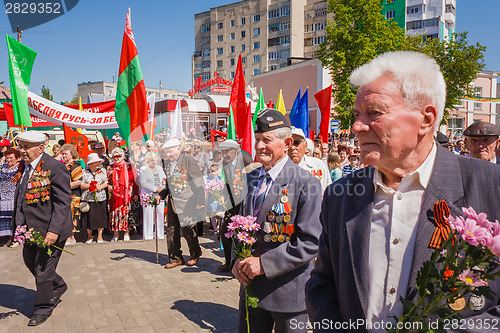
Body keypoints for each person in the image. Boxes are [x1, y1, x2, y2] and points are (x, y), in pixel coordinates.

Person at [306, 51, 500, 331]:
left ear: (426, 119)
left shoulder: (489, 185)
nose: (357, 126)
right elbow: (322, 284)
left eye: (374, 112)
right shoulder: (340, 194)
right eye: (357, 114)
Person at [232, 109, 322, 333]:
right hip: (251, 290)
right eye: (258, 140)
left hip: (288, 296)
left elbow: (310, 242)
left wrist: (263, 264)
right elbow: (239, 226)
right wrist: (237, 259)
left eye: (267, 140)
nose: (260, 146)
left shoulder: (305, 183)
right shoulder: (250, 178)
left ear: (287, 142)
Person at [12, 131, 72, 326]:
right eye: (21, 146)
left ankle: (43, 307)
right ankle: (58, 285)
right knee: (30, 261)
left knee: (43, 269)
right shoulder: (25, 167)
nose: (22, 151)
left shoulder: (55, 168)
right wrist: (18, 225)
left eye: (26, 147)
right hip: (30, 230)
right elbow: (21, 198)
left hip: (49, 230)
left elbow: (63, 202)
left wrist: (54, 230)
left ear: (40, 147)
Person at [158, 139, 204, 268]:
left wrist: (200, 201)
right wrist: (162, 194)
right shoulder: (166, 162)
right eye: (166, 152)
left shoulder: (188, 161)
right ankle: (175, 258)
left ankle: (195, 254)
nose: (168, 155)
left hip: (187, 201)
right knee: (171, 231)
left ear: (178, 148)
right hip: (172, 201)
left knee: (188, 231)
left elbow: (199, 182)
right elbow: (169, 183)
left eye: (170, 151)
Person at [217, 139, 252, 272]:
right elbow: (228, 182)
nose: (223, 154)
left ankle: (242, 263)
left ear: (235, 150)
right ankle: (228, 261)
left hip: (245, 202)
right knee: (225, 231)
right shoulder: (226, 162)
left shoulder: (245, 159)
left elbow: (254, 178)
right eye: (222, 152)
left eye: (226, 151)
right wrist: (222, 194)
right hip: (232, 203)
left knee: (243, 234)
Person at [288, 127, 331, 192]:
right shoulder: (278, 168)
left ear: (305, 145)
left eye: (296, 143)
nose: (292, 147)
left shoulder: (318, 165)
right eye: (289, 143)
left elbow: (329, 189)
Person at [108, 147, 137, 242]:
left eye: (118, 156)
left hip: (127, 195)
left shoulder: (129, 166)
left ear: (122, 156)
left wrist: (136, 194)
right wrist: (108, 186)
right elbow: (106, 180)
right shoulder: (110, 167)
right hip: (114, 195)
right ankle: (116, 234)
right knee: (115, 214)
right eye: (114, 156)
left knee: (127, 214)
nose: (116, 158)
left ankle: (126, 233)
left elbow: (136, 181)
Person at [80, 153, 108, 244]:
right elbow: (81, 184)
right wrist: (90, 186)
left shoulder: (102, 170)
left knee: (100, 217)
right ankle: (89, 236)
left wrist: (101, 186)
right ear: (90, 163)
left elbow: (106, 182)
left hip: (100, 197)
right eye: (95, 162)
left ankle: (100, 235)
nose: (97, 164)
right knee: (89, 218)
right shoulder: (84, 172)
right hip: (88, 198)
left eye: (98, 162)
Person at [139, 152, 166, 240]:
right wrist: (155, 189)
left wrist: (163, 188)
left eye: (155, 160)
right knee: (148, 216)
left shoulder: (159, 168)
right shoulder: (143, 169)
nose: (154, 162)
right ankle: (148, 236)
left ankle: (160, 235)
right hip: (148, 194)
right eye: (151, 160)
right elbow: (143, 183)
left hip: (160, 194)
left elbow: (164, 179)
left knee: (160, 214)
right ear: (147, 161)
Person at [60, 144, 83, 245]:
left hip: (73, 195)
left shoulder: (75, 166)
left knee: (72, 215)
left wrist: (64, 187)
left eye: (66, 154)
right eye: (63, 153)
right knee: (65, 215)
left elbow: (78, 182)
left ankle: (71, 237)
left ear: (72, 154)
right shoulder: (62, 165)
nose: (64, 155)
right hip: (63, 195)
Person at [0, 148, 20, 247]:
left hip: (13, 196)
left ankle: (15, 239)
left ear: (17, 158)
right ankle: (7, 238)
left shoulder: (19, 167)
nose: (8, 160)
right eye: (7, 158)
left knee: (13, 218)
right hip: (2, 197)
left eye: (11, 158)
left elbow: (16, 180)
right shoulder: (3, 167)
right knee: (4, 219)